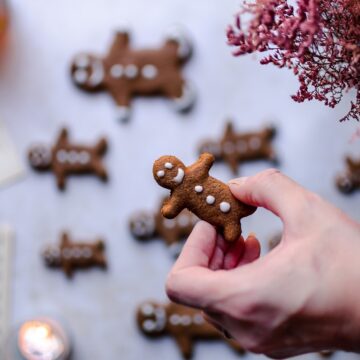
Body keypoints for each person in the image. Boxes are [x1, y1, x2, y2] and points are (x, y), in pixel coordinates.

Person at [165, 169, 360, 358]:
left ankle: (231, 224)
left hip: (230, 210)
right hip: (227, 213)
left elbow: (204, 162)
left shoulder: (194, 173)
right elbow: (173, 206)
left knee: (231, 233)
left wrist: (344, 316)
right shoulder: (183, 190)